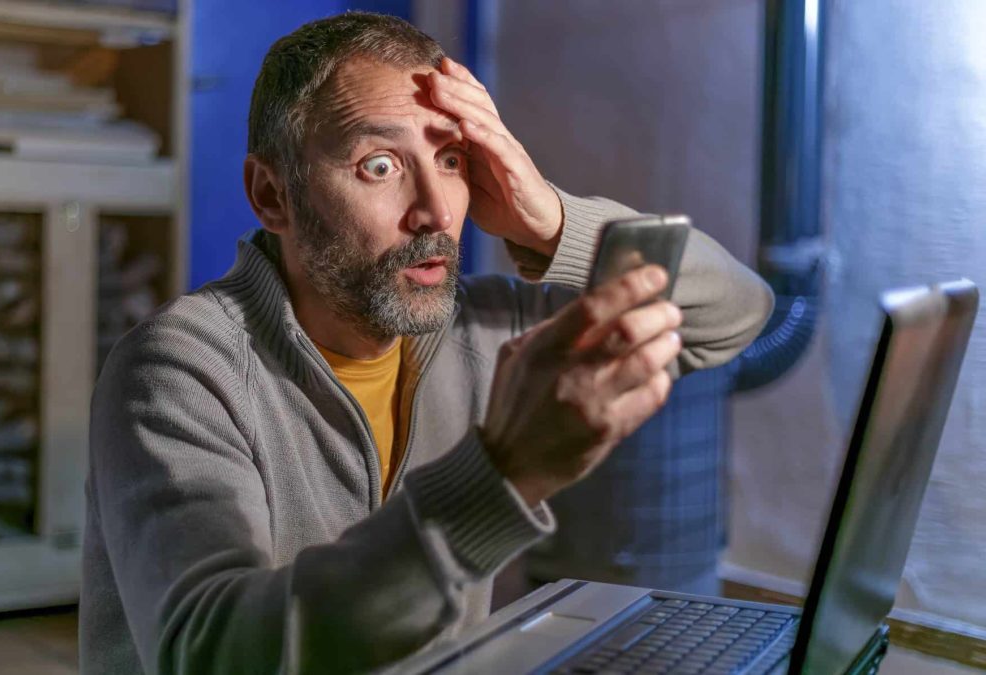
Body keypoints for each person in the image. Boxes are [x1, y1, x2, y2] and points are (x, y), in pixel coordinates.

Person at [81, 12, 772, 674]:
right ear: (272, 195)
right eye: (379, 166)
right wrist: (499, 477)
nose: (437, 212)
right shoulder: (178, 367)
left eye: (449, 159)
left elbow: (737, 311)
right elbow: (210, 653)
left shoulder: (488, 326)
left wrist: (552, 221)